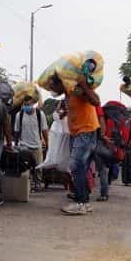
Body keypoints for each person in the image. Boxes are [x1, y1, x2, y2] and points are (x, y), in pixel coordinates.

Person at [48, 71, 100, 215]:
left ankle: (80, 203)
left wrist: (84, 85)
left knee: (75, 166)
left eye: (53, 86)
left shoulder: (76, 89)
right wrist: (64, 113)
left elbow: (96, 101)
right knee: (80, 168)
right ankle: (84, 201)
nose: (52, 90)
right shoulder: (67, 94)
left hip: (86, 131)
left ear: (61, 83)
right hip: (77, 133)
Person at [14, 95, 49, 191]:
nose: (26, 106)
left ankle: (38, 184)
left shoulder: (40, 114)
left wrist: (47, 143)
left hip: (37, 144)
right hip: (24, 145)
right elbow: (16, 131)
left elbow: (44, 130)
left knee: (38, 166)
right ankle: (27, 185)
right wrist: (16, 144)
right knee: (25, 167)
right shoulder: (19, 115)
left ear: (33, 104)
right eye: (25, 105)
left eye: (28, 104)